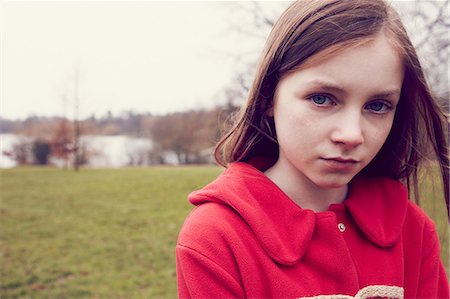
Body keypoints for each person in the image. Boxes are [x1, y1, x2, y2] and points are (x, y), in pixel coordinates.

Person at [176, 0, 449, 298]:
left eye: (377, 106)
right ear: (269, 96)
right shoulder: (217, 237)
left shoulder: (413, 230)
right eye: (322, 98)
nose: (351, 134)